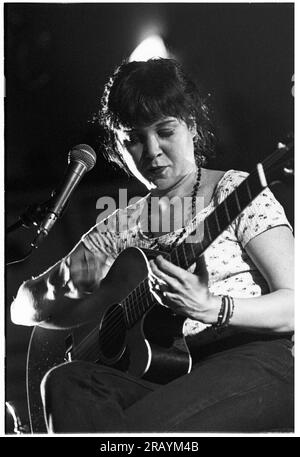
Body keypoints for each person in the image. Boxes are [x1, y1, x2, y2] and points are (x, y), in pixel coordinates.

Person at [11, 58, 294, 433]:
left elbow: (295, 305)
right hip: (164, 379)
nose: (152, 151)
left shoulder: (234, 190)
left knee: (135, 432)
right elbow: (22, 309)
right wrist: (72, 289)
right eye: (134, 139)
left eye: (165, 132)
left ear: (191, 126)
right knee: (64, 382)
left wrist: (213, 308)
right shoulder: (118, 227)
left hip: (254, 363)